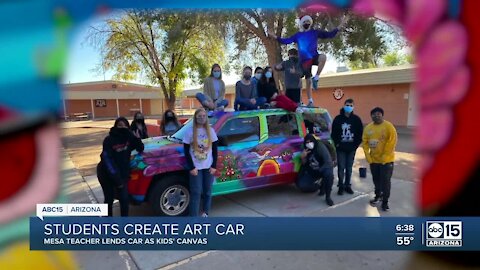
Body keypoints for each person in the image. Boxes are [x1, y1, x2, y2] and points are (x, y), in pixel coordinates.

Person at [268, 14, 348, 107]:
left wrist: (340, 25)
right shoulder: (298, 35)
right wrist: (275, 37)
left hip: (314, 56)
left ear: (310, 23)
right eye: (305, 22)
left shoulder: (315, 32)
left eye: (308, 22)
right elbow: (286, 41)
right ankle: (310, 100)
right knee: (308, 80)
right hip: (304, 60)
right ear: (302, 24)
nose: (306, 23)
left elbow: (330, 34)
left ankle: (317, 77)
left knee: (323, 57)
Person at [97, 117, 144, 216]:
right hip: (106, 173)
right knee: (109, 198)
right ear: (115, 126)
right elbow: (107, 161)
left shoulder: (129, 137)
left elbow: (140, 148)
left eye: (124, 125)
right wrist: (118, 181)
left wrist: (137, 138)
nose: (122, 127)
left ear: (127, 127)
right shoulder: (108, 140)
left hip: (122, 172)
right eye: (119, 125)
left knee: (124, 199)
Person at [183, 108, 218, 217]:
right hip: (196, 168)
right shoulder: (189, 132)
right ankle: (193, 217)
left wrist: (214, 166)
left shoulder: (210, 131)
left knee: (207, 192)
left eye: (203, 116)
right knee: (196, 192)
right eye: (199, 116)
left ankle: (205, 213)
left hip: (208, 167)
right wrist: (191, 167)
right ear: (195, 118)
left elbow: (215, 149)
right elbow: (186, 151)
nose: (201, 118)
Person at [362, 107, 397, 211]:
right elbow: (365, 142)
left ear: (382, 115)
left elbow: (392, 141)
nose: (376, 116)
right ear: (371, 116)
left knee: (385, 182)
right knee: (376, 180)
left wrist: (385, 156)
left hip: (386, 161)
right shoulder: (368, 128)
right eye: (373, 114)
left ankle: (385, 202)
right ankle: (378, 196)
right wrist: (368, 156)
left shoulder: (388, 126)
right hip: (374, 161)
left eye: (378, 114)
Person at [331, 98, 363, 195]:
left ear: (353, 107)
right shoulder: (338, 119)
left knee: (349, 168)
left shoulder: (356, 119)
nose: (349, 107)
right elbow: (334, 133)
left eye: (351, 105)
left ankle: (347, 185)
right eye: (347, 105)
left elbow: (360, 133)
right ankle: (341, 186)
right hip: (341, 148)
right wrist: (337, 144)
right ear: (344, 106)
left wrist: (355, 145)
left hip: (351, 148)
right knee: (341, 168)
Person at [297, 133, 335, 206]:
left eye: (310, 142)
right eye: (307, 142)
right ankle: (320, 185)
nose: (309, 144)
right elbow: (304, 164)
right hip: (312, 171)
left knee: (328, 175)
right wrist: (303, 157)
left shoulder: (320, 147)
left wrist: (321, 171)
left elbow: (328, 162)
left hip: (323, 168)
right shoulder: (304, 148)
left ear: (314, 141)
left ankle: (328, 197)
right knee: (302, 185)